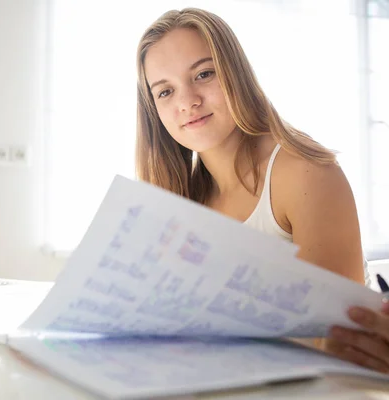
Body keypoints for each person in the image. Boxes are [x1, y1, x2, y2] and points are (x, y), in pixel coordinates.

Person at [135, 7, 389, 373]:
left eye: (204, 74)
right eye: (165, 91)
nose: (187, 101)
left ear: (235, 74)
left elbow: (334, 337)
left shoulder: (305, 172)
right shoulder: (177, 198)